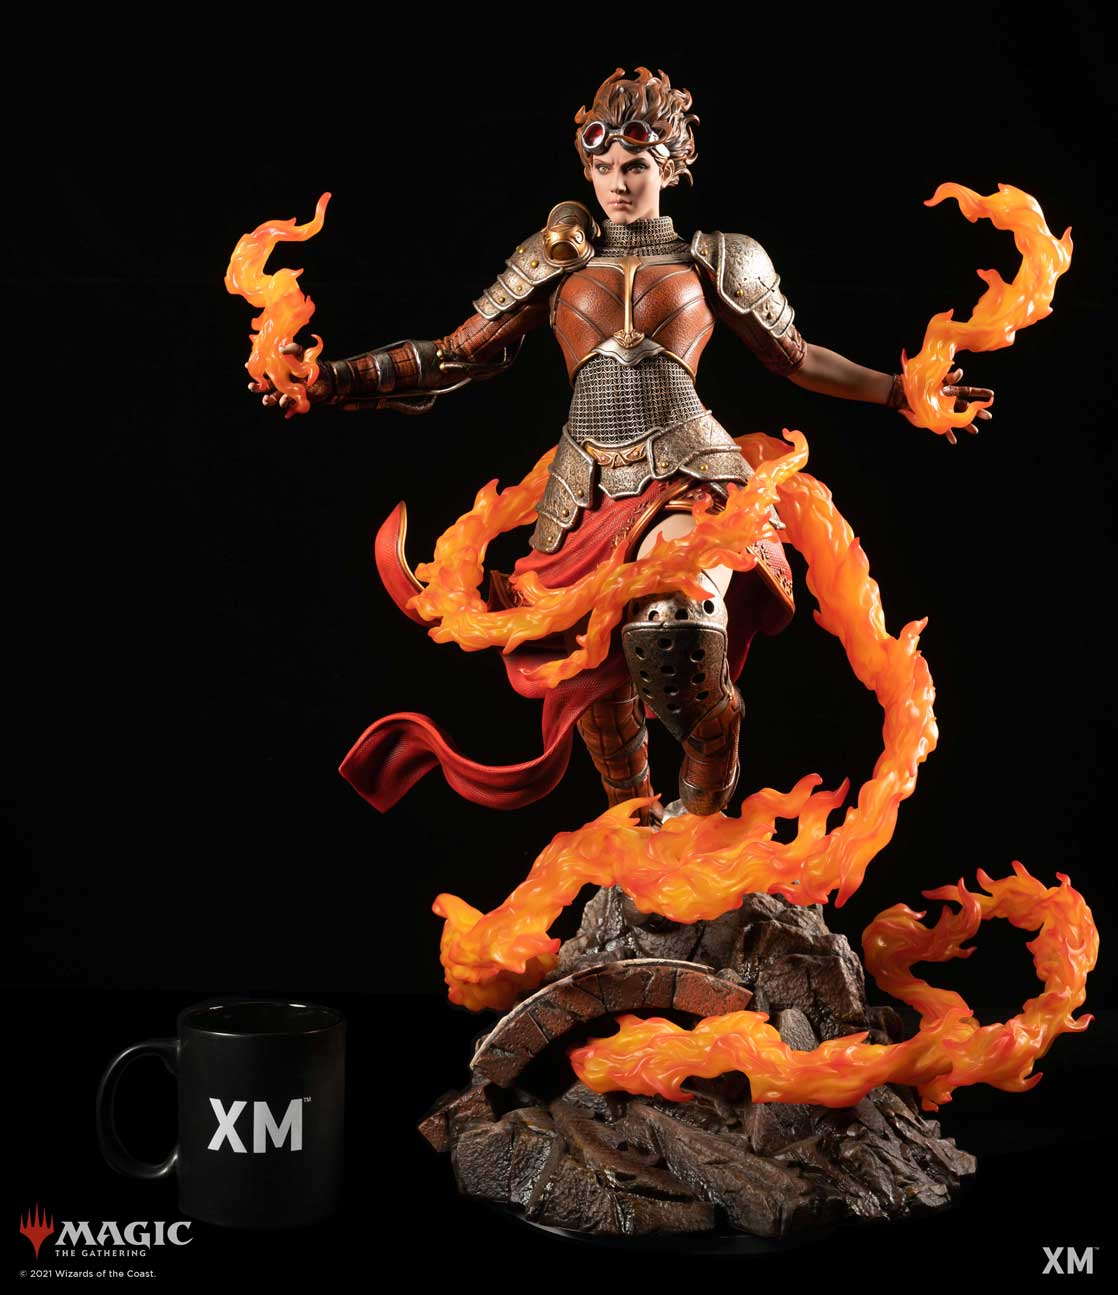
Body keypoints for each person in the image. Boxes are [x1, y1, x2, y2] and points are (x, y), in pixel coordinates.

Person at [251, 66, 992, 825]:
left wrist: (900, 391)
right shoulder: (554, 263)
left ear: (668, 166)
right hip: (584, 490)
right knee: (597, 692)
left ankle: (702, 817)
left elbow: (796, 357)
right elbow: (452, 354)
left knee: (673, 631)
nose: (617, 182)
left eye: (634, 165)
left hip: (690, 471)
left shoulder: (716, 259)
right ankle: (635, 845)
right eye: (602, 166)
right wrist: (329, 380)